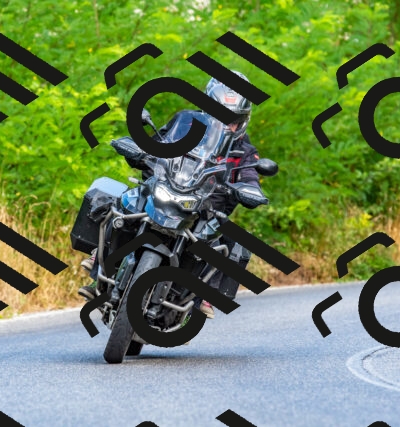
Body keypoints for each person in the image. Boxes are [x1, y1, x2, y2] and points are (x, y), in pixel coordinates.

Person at [78, 71, 266, 320]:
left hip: (206, 209)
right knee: (124, 201)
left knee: (228, 242)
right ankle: (100, 264)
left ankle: (204, 295)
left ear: (243, 119)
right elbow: (157, 143)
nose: (225, 123)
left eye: (232, 119)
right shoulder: (186, 122)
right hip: (166, 186)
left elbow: (250, 176)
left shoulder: (245, 150)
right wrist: (140, 151)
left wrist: (250, 189)